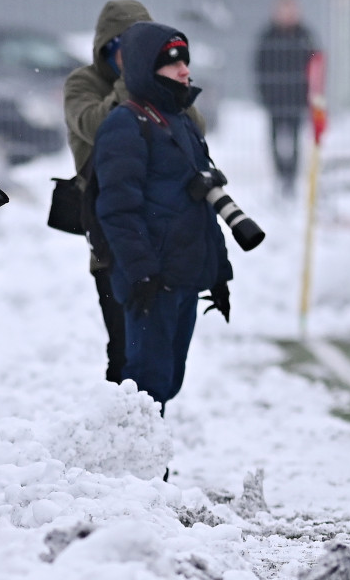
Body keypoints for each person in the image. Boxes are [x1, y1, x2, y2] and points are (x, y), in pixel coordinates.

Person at [63, 0, 205, 384]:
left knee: (164, 355)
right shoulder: (84, 84)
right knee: (126, 350)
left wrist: (167, 87)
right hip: (113, 237)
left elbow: (195, 129)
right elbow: (96, 125)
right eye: (121, 48)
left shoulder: (161, 83)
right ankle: (122, 435)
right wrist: (135, 79)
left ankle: (143, 435)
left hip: (166, 237)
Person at [93, 22, 232, 414]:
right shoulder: (126, 124)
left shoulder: (181, 120)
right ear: (145, 69)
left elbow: (204, 202)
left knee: (167, 380)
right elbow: (117, 210)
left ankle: (149, 468)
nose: (185, 71)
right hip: (154, 283)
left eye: (185, 61)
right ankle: (135, 472)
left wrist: (218, 272)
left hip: (183, 278)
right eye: (173, 64)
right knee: (145, 385)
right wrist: (143, 274)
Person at [254, 0, 317, 197]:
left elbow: (314, 65)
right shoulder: (268, 36)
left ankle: (291, 177)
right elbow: (259, 66)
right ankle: (280, 176)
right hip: (275, 99)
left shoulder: (304, 36)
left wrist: (310, 94)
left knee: (296, 139)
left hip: (296, 98)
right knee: (274, 139)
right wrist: (264, 93)